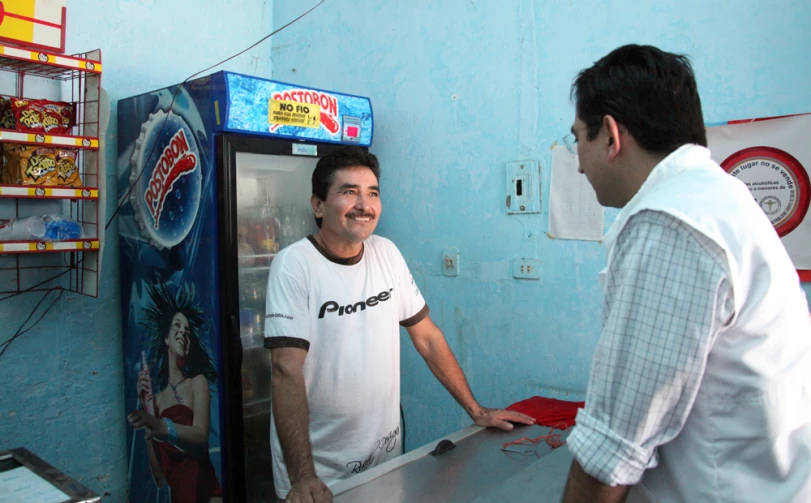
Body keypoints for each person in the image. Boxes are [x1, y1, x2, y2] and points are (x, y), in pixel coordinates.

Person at [560, 44, 811, 503]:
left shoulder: (671, 223)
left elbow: (613, 448)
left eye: (578, 137)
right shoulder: (720, 199)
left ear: (612, 136)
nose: (577, 161)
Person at [264, 146, 535, 502]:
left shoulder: (385, 253)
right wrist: (303, 476)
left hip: (385, 457)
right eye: (349, 192)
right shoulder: (294, 265)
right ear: (318, 205)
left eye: (372, 193)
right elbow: (286, 371)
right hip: (318, 472)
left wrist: (476, 410)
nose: (365, 204)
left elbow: (427, 338)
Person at [127, 278, 223, 503]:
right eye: (177, 327)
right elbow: (159, 478)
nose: (183, 333)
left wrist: (161, 426)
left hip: (206, 494)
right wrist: (147, 411)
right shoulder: (157, 400)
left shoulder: (196, 382)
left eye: (188, 331)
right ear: (166, 338)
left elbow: (201, 438)